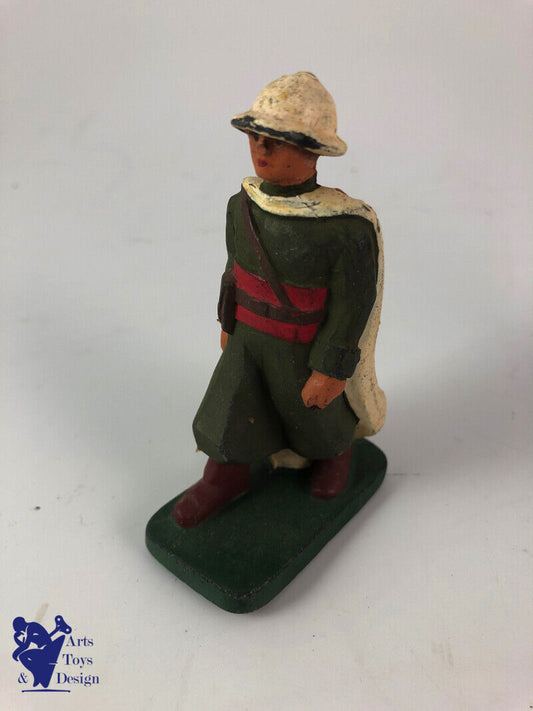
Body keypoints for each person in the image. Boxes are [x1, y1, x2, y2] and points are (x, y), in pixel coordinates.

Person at [173, 72, 385, 528]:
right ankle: (224, 477)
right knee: (228, 409)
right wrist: (228, 323)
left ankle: (334, 455)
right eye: (256, 138)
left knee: (314, 418)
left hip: (304, 347)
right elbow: (233, 271)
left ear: (312, 150)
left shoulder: (346, 229)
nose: (261, 150)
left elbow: (352, 306)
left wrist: (331, 368)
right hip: (248, 338)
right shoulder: (241, 206)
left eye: (277, 141)